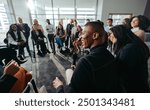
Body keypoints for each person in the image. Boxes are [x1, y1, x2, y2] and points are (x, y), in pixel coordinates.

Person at [53, 21, 122, 93]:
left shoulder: (85, 62)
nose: (80, 37)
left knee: (68, 71)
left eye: (83, 33)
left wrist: (59, 87)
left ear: (95, 35)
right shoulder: (109, 55)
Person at [108, 25, 150, 92]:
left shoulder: (129, 49)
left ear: (119, 33)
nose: (109, 36)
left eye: (110, 34)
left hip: (132, 88)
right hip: (139, 85)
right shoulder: (133, 45)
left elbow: (122, 70)